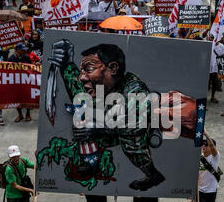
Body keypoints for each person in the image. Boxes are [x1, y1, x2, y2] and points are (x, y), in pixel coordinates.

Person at [50, 41, 166, 191]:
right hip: (109, 124)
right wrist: (65, 63)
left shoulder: (134, 90)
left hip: (130, 130)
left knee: (131, 141)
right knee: (83, 111)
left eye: (89, 69)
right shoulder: (100, 86)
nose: (82, 77)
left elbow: (131, 126)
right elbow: (77, 89)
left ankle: (153, 174)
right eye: (82, 71)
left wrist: (97, 128)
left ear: (112, 68)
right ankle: (92, 164)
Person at [198, 130, 220, 202]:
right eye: (203, 145)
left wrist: (206, 134)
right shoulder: (199, 157)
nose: (204, 147)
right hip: (200, 190)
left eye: (206, 145)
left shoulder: (215, 157)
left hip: (212, 190)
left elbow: (212, 146)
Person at [8, 43, 33, 122]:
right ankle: (20, 114)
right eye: (22, 49)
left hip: (26, 81)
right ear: (18, 50)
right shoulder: (11, 58)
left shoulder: (27, 57)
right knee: (17, 99)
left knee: (27, 98)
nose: (24, 51)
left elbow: (31, 68)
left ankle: (28, 114)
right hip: (16, 82)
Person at [209, 35, 224, 104]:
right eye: (211, 37)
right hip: (207, 66)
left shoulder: (222, 46)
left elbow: (223, 58)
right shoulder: (208, 44)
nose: (212, 39)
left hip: (216, 67)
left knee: (214, 83)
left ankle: (212, 96)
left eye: (214, 37)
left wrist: (220, 71)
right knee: (206, 83)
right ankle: (203, 99)